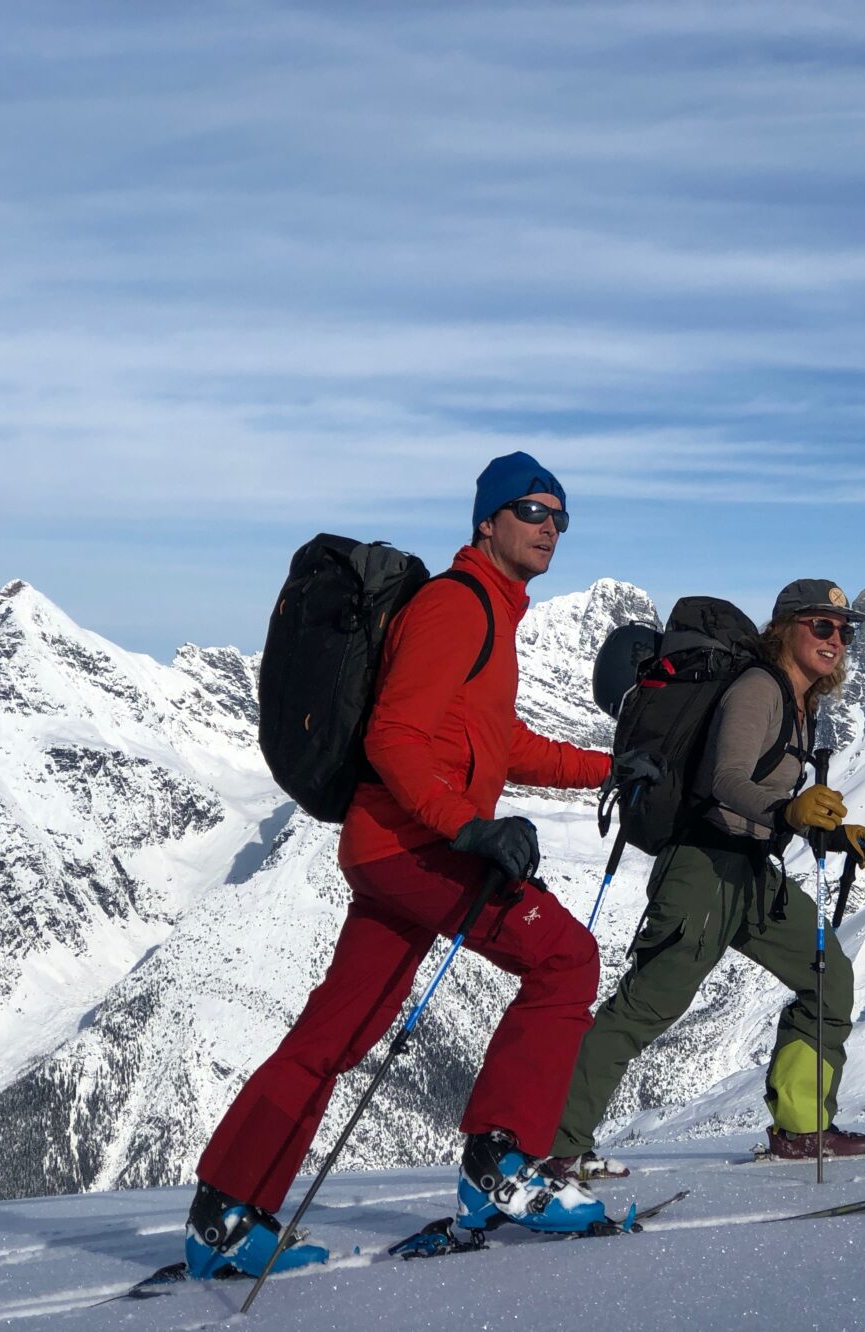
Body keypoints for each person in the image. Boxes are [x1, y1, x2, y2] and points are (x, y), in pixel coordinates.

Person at [185, 451, 656, 1277]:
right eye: (534, 511)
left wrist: (604, 768)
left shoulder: (492, 615)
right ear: (489, 520)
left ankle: (226, 1213)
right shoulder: (456, 606)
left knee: (334, 1033)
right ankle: (501, 1166)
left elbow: (499, 744)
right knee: (564, 957)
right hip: (414, 847)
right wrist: (467, 831)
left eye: (561, 515)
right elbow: (393, 739)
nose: (552, 527)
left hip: (392, 850)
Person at [548, 579, 865, 1179]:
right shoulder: (759, 689)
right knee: (644, 1008)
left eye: (844, 630)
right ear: (785, 627)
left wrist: (828, 833)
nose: (836, 639)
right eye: (821, 626)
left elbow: (767, 796)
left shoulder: (803, 703)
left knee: (828, 976)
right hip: (703, 869)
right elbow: (725, 780)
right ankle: (558, 1146)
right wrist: (788, 812)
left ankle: (802, 1129)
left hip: (753, 871)